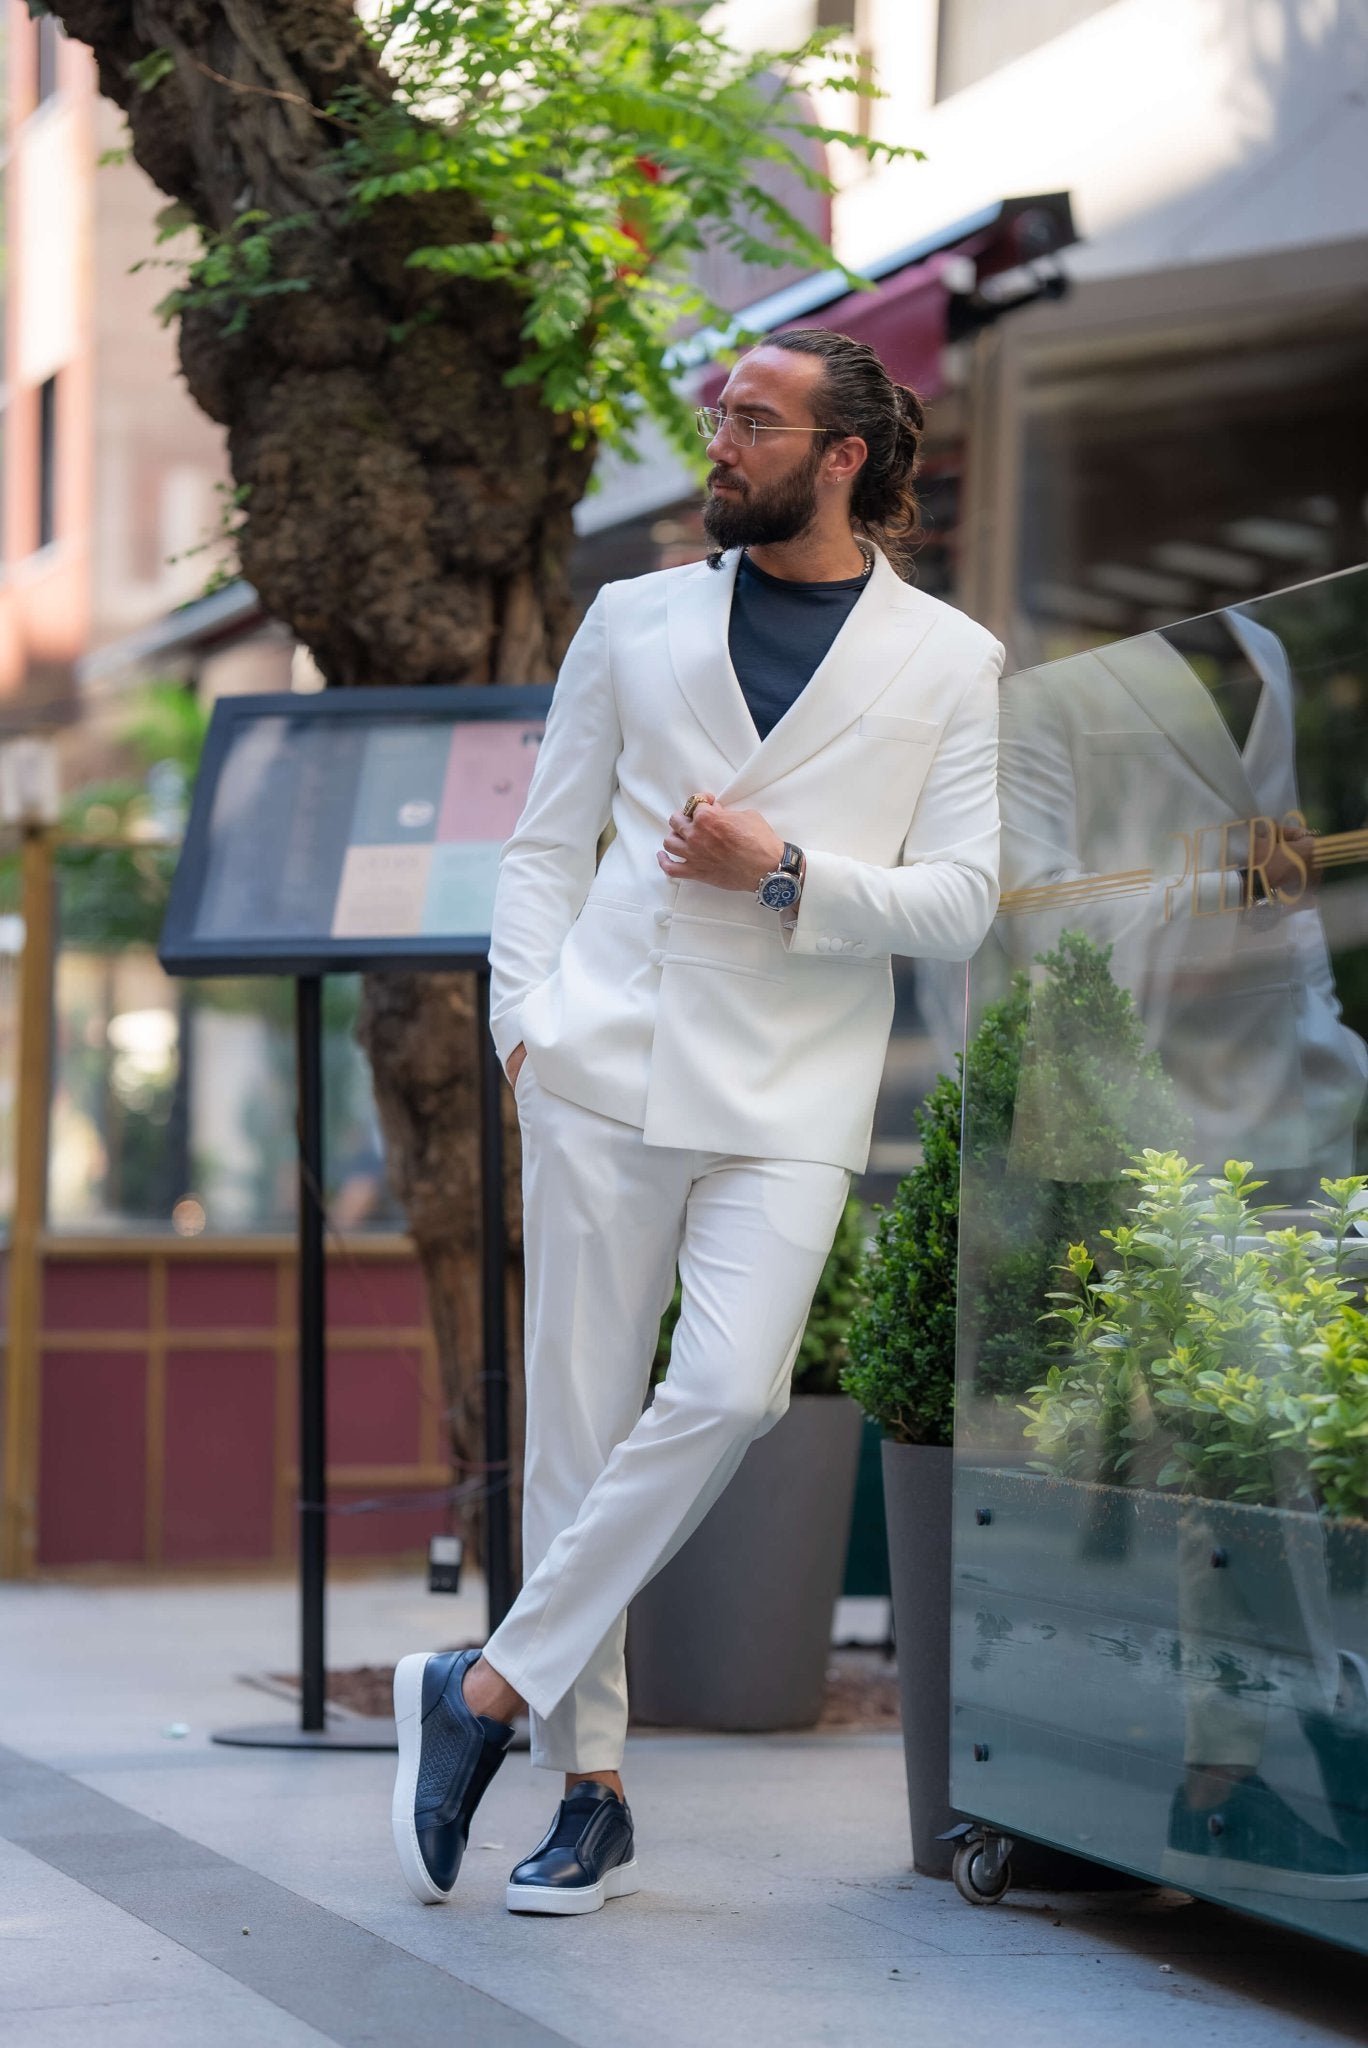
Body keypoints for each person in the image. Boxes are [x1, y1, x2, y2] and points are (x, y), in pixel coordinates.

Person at [391, 327, 1005, 1916]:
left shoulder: (950, 659)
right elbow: (544, 847)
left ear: (843, 456)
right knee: (580, 1426)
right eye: (719, 414)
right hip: (601, 1060)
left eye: (753, 421)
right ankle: (587, 1791)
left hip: (792, 1091)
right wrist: (523, 1030)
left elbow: (961, 900)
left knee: (730, 1391)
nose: (719, 443)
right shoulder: (634, 616)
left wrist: (785, 871)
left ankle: (480, 1689)